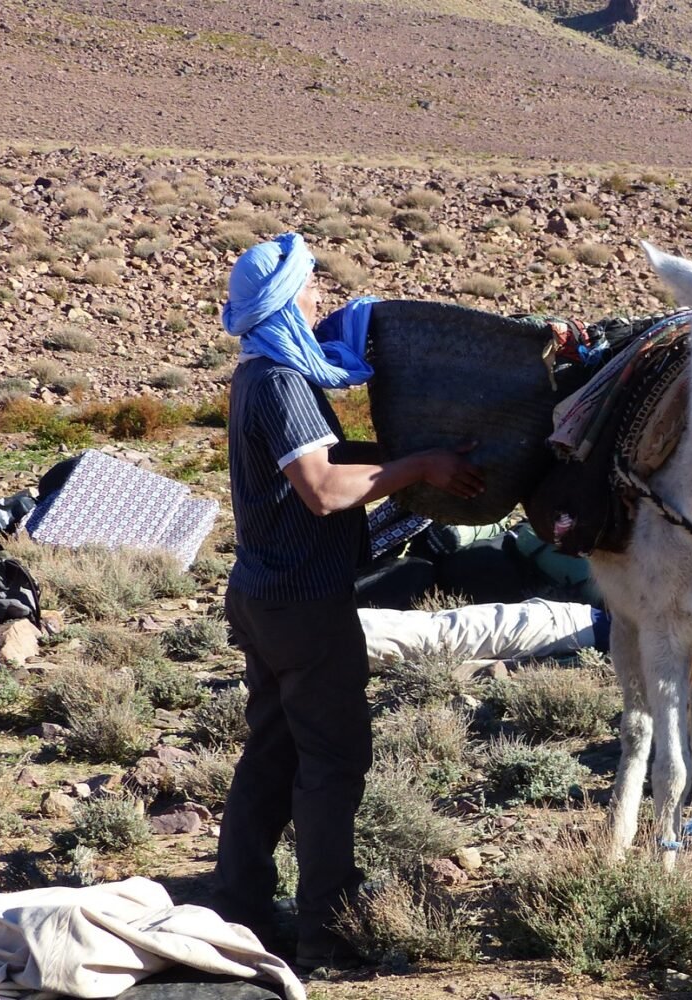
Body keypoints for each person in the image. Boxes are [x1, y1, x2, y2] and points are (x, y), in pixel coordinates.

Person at [208, 232, 484, 969]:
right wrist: (421, 464)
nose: (318, 299)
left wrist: (406, 458)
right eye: (309, 289)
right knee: (332, 760)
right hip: (304, 603)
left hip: (263, 595)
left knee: (271, 751)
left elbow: (329, 466)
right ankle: (326, 928)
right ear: (284, 301)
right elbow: (324, 489)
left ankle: (236, 904)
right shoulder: (280, 383)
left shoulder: (258, 375)